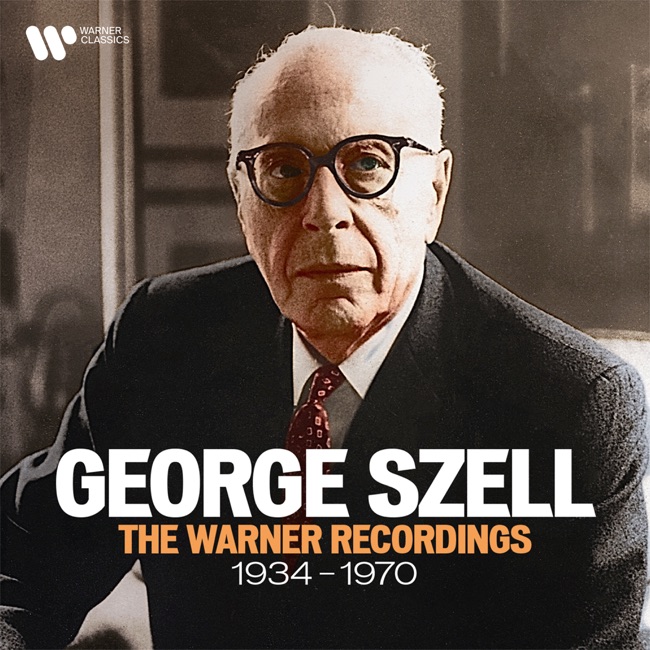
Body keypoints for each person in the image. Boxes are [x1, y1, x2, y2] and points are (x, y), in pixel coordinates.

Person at [1, 26, 647, 650]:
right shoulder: (163, 338)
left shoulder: (570, 405)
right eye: (284, 170)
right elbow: (20, 566)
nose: (325, 212)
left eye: (367, 163)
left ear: (434, 192)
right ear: (240, 196)